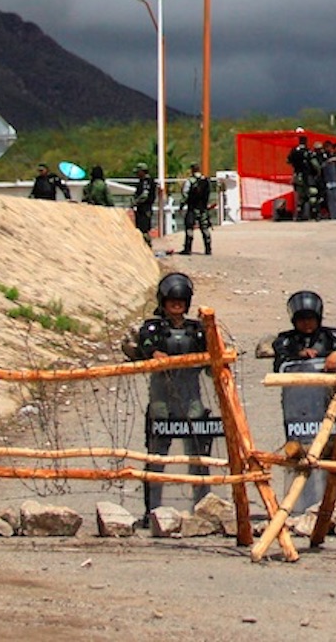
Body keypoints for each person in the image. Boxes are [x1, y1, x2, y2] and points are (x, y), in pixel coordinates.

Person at [124, 272, 213, 513]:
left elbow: (211, 359)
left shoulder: (198, 330)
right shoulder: (153, 328)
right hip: (162, 397)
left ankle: (204, 506)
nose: (177, 305)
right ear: (163, 302)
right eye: (172, 301)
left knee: (197, 454)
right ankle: (153, 509)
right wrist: (154, 354)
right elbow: (144, 344)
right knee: (157, 455)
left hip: (191, 396)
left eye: (181, 301)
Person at [269, 290, 336, 507]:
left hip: (327, 405)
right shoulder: (286, 340)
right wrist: (299, 355)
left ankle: (331, 504)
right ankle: (303, 504)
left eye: (311, 319)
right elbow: (280, 361)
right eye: (302, 320)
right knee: (301, 458)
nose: (307, 324)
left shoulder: (332, 337)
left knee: (330, 454)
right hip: (299, 408)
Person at [180, 163, 215, 255]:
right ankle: (208, 249)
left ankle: (188, 249)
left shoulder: (190, 181)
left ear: (192, 170)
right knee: (205, 229)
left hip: (192, 208)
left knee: (189, 228)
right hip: (203, 209)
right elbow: (208, 194)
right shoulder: (206, 180)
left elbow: (185, 194)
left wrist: (182, 205)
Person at [286, 134, 316, 221]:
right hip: (306, 176)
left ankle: (299, 214)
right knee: (311, 194)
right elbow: (315, 164)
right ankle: (313, 213)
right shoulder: (308, 151)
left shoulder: (294, 150)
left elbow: (288, 160)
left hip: (297, 175)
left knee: (299, 196)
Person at [129, 163, 158, 245]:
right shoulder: (143, 181)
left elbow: (144, 195)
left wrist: (135, 202)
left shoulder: (146, 182)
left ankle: (147, 247)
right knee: (141, 229)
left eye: (138, 172)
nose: (137, 174)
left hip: (145, 209)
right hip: (142, 209)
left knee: (144, 230)